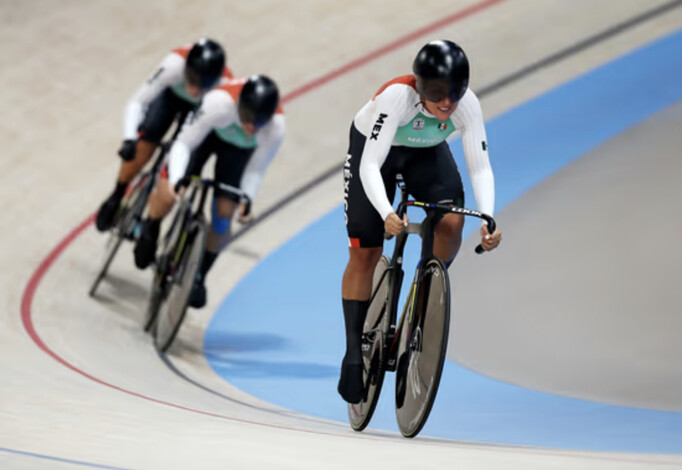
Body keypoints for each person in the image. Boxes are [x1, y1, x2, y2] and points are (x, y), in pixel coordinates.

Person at [338, 40, 503, 404]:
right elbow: (368, 165)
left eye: (454, 94)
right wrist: (386, 213)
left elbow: (480, 165)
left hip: (424, 153)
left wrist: (489, 216)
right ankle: (352, 353)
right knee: (365, 252)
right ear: (420, 87)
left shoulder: (467, 106)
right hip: (376, 154)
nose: (447, 104)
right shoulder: (396, 98)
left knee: (451, 222)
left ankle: (423, 297)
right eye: (437, 94)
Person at [133, 74, 285, 309]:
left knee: (224, 218)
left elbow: (256, 169)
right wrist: (176, 180)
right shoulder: (219, 104)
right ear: (239, 106)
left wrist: (247, 199)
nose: (252, 126)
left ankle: (199, 275)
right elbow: (183, 143)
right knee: (169, 193)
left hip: (237, 151)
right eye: (248, 118)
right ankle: (150, 228)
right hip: (205, 137)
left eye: (260, 122)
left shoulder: (275, 128)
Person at [95, 38, 232, 232]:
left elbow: (202, 136)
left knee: (181, 164)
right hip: (170, 96)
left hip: (199, 112)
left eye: (203, 85)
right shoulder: (173, 65)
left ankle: (153, 223)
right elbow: (138, 102)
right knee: (147, 137)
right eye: (191, 80)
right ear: (186, 69)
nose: (194, 89)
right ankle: (117, 195)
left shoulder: (223, 90)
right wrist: (129, 139)